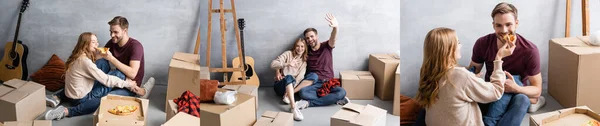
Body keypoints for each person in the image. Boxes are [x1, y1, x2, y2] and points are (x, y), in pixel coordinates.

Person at [415, 27, 515, 126]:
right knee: (521, 98)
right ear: (448, 49)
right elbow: (496, 92)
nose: (461, 45)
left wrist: (470, 79)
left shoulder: (427, 74)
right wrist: (498, 58)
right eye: (458, 42)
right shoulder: (460, 75)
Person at [467, 2, 545, 126]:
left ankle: (489, 122)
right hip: (491, 90)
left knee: (522, 98)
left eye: (508, 25)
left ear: (516, 24)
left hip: (517, 93)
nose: (504, 31)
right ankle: (532, 102)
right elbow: (472, 72)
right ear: (493, 26)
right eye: (499, 25)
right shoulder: (482, 43)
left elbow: (537, 89)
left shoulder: (529, 50)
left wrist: (516, 88)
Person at [44, 32, 143, 120]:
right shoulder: (85, 62)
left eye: (97, 42)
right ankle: (67, 112)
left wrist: (102, 56)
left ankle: (57, 97)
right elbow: (106, 80)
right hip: (80, 98)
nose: (97, 44)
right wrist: (127, 84)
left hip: (71, 93)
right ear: (85, 44)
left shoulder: (78, 55)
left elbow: (92, 63)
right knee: (103, 99)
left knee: (102, 63)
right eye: (94, 42)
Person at [294, 14, 350, 109]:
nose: (310, 40)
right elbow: (292, 56)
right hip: (314, 84)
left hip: (328, 82)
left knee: (342, 92)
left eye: (312, 36)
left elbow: (333, 38)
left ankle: (309, 103)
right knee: (303, 93)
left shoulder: (327, 46)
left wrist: (336, 27)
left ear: (317, 36)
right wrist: (278, 70)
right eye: (307, 38)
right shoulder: (305, 51)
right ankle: (333, 99)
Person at [99, 16, 154, 98]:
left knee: (106, 97)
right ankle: (142, 92)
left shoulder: (136, 46)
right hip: (120, 78)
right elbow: (99, 57)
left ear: (125, 30)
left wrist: (111, 58)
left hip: (131, 83)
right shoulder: (112, 42)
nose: (112, 35)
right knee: (101, 62)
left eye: (115, 32)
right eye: (110, 32)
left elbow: (132, 74)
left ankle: (141, 91)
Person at [271, 38, 308, 121]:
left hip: (291, 87)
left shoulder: (304, 62)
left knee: (291, 79)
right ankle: (293, 108)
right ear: (294, 47)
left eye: (302, 46)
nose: (300, 48)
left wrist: (290, 89)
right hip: (280, 85)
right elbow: (273, 65)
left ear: (305, 48)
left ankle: (288, 96)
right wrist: (287, 64)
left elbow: (299, 78)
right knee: (289, 77)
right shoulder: (288, 54)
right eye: (297, 46)